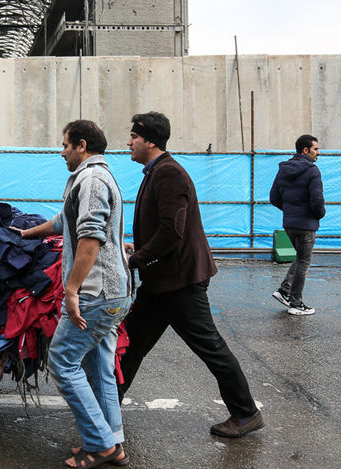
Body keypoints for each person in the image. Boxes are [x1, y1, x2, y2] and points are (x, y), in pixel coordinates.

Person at [119, 111, 263, 438]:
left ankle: (245, 413)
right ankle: (109, 405)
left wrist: (137, 259)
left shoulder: (169, 174)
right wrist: (136, 248)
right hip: (162, 281)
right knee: (132, 342)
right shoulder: (157, 171)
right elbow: (164, 227)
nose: (128, 142)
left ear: (150, 141)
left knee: (209, 346)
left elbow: (172, 231)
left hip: (179, 282)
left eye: (133, 137)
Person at [20, 120, 132, 468]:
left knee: (63, 362)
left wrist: (71, 290)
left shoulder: (93, 180)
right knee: (99, 368)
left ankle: (100, 444)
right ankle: (112, 439)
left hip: (97, 294)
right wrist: (25, 235)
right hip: (112, 294)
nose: (62, 151)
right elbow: (62, 221)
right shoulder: (91, 178)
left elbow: (90, 238)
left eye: (65, 145)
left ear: (81, 145)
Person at [269, 134, 325, 315]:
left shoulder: (283, 169)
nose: (319, 152)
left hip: (289, 224)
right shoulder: (312, 170)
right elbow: (317, 200)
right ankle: (296, 304)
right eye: (316, 149)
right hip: (306, 225)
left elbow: (274, 197)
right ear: (305, 150)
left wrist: (290, 211)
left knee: (300, 259)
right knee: (304, 263)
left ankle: (284, 291)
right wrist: (319, 214)